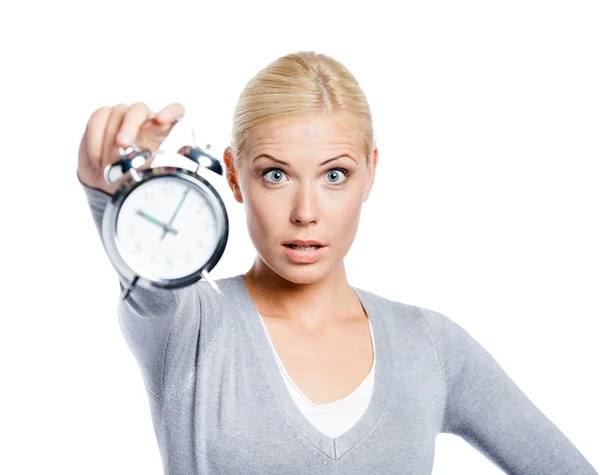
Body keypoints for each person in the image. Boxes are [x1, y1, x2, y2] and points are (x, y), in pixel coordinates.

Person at [76, 51, 597, 474]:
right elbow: (144, 260)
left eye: (334, 175)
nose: (306, 214)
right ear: (233, 176)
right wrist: (114, 189)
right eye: (276, 175)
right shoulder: (189, 329)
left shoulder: (430, 348)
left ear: (371, 172)